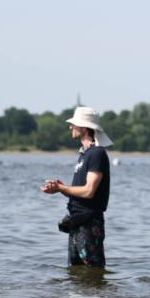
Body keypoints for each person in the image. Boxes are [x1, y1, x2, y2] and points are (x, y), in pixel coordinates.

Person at [41, 106, 113, 267]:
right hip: (77, 222)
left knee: (92, 273)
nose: (70, 127)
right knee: (76, 275)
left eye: (74, 124)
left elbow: (88, 191)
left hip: (89, 224)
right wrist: (60, 188)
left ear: (85, 128)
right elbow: (80, 192)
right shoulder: (85, 154)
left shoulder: (96, 153)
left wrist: (62, 189)